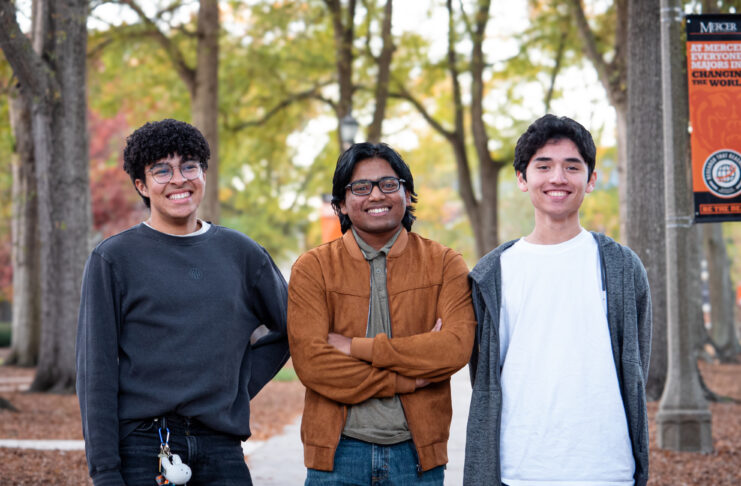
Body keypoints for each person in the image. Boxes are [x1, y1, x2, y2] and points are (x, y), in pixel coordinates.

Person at [76, 119, 289, 486]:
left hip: (221, 446)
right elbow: (96, 373)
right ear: (141, 185)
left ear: (203, 173)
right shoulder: (113, 259)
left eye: (189, 165)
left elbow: (292, 327)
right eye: (162, 170)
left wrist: (237, 387)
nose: (178, 179)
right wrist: (106, 471)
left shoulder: (242, 254)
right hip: (142, 447)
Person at [464, 114, 652, 486]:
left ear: (591, 179)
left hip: (607, 468)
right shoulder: (492, 273)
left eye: (572, 166)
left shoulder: (621, 267)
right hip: (518, 469)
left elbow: (636, 363)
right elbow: (482, 374)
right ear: (522, 178)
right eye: (543, 166)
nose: (558, 178)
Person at [287, 142, 476, 485]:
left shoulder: (445, 263)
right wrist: (407, 378)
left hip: (417, 456)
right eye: (361, 187)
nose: (376, 195)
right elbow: (313, 363)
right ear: (342, 204)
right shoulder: (313, 268)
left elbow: (454, 348)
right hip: (338, 455)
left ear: (406, 193)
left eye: (389, 184)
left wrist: (356, 347)